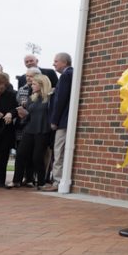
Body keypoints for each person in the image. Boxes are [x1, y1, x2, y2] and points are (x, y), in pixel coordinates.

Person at [15, 74, 53, 188]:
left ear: (41, 85)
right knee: (21, 154)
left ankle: (41, 182)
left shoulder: (50, 98)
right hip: (29, 129)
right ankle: (16, 181)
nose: (32, 86)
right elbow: (29, 115)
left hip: (43, 131)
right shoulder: (32, 98)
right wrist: (23, 114)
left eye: (34, 84)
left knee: (37, 157)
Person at [11, 66, 41, 187]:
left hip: (35, 126)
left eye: (31, 76)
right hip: (22, 126)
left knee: (32, 155)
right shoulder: (22, 89)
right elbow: (17, 103)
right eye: (27, 76)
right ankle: (17, 179)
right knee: (21, 153)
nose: (28, 78)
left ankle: (29, 179)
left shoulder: (42, 92)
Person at [49, 52, 73, 186]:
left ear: (64, 62)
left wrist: (54, 120)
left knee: (58, 151)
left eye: (56, 61)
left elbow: (60, 100)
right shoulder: (72, 74)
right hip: (67, 120)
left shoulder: (65, 75)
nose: (54, 64)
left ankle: (57, 181)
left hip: (62, 121)